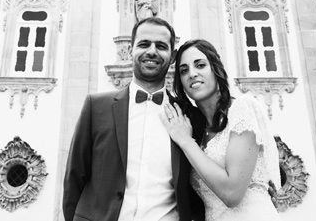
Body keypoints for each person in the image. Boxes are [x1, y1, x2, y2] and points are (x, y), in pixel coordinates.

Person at [63, 17, 204, 221]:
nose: (152, 51)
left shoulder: (190, 115)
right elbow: (74, 178)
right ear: (130, 50)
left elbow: (198, 190)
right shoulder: (96, 107)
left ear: (172, 56)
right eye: (144, 44)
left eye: (161, 46)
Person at [161, 39, 279, 220]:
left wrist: (185, 141)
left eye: (200, 65)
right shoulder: (194, 129)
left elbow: (232, 194)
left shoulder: (240, 109)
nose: (192, 74)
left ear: (216, 69)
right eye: (184, 70)